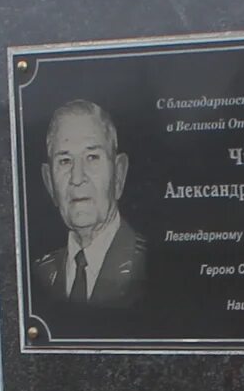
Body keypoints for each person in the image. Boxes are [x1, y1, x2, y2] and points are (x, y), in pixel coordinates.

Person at [26, 100, 151, 316]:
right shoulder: (40, 274)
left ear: (119, 174)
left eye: (92, 157)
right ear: (49, 182)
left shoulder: (147, 266)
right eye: (65, 161)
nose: (77, 178)